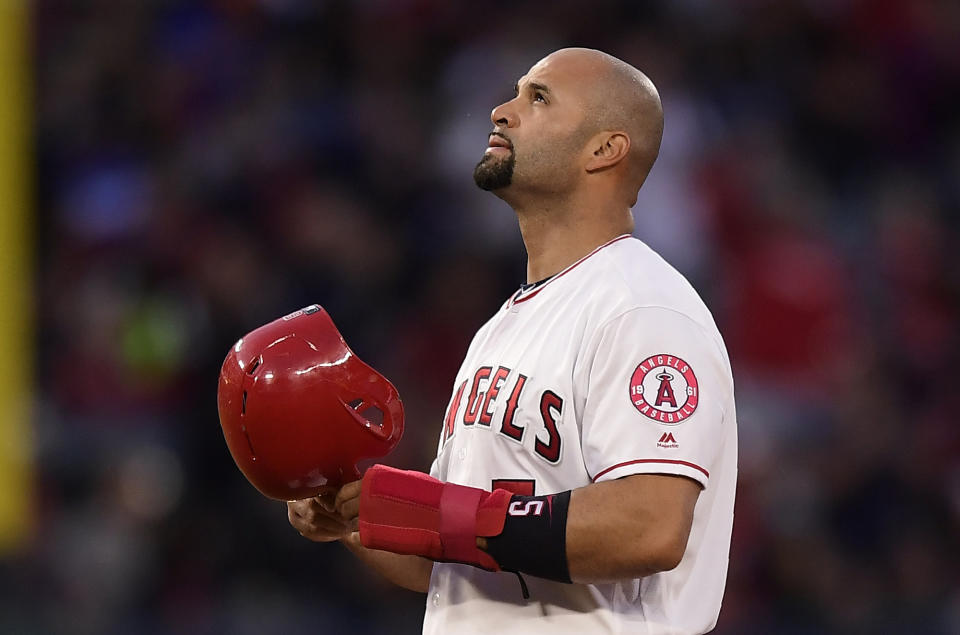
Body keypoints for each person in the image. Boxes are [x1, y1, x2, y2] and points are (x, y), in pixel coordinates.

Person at [287, 47, 737, 635]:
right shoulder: (501, 329)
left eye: (538, 98)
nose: (501, 111)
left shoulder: (642, 307)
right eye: (515, 93)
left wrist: (442, 512)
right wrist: (347, 512)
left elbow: (648, 527)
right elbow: (452, 564)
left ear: (604, 150)